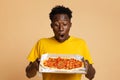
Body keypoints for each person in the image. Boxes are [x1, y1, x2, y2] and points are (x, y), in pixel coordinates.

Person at [25, 5, 95, 80]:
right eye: (56, 25)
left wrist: (88, 67)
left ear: (70, 25)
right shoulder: (41, 43)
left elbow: (91, 76)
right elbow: (29, 74)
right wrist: (34, 65)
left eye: (64, 24)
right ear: (51, 26)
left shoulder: (81, 43)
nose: (61, 28)